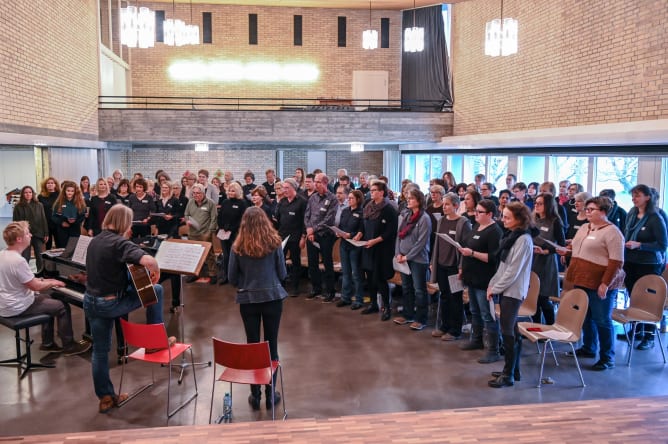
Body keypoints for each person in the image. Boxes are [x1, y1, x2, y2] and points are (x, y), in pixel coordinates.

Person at [83, 204, 167, 414]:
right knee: (155, 289)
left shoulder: (96, 240)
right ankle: (154, 342)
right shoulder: (119, 242)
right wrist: (155, 268)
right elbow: (147, 260)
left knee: (100, 352)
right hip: (109, 304)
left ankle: (106, 397)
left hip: (91, 301)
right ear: (124, 222)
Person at [0, 221, 90, 356]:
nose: (30, 235)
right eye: (27, 233)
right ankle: (69, 346)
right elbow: (35, 286)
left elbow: (28, 281)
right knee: (62, 307)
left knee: (48, 298)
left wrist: (47, 280)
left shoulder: (4, 254)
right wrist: (54, 282)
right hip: (16, 306)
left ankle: (48, 344)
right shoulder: (18, 261)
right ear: (19, 239)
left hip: (5, 304)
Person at [228, 206, 287, 411]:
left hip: (248, 300)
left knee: (253, 345)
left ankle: (255, 396)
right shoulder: (275, 243)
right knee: (272, 346)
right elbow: (283, 273)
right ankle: (271, 395)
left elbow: (232, 278)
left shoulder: (237, 246)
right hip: (272, 297)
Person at [559, 196, 624, 371]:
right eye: (586, 209)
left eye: (591, 209)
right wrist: (565, 251)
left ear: (603, 212)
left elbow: (616, 262)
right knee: (586, 316)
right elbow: (575, 245)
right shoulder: (585, 227)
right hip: (582, 278)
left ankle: (607, 357)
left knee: (602, 319)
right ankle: (589, 348)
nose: (587, 212)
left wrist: (605, 283)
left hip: (600, 282)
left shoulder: (612, 232)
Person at [487, 202, 535, 388]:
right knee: (511, 330)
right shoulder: (512, 236)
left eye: (507, 217)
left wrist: (495, 288)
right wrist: (494, 284)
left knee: (507, 331)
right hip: (507, 288)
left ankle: (508, 375)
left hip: (514, 291)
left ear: (519, 220)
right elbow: (503, 266)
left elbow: (513, 271)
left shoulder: (523, 239)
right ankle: (513, 370)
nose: (503, 220)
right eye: (503, 216)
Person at [623, 184, 668, 350]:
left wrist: (640, 245)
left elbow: (662, 245)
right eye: (633, 195)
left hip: (648, 264)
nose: (634, 198)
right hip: (630, 261)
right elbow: (625, 232)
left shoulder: (655, 217)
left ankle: (649, 335)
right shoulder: (632, 213)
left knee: (648, 300)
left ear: (647, 197)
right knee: (634, 296)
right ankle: (637, 330)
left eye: (637, 195)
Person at [458, 199, 503, 363]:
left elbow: (493, 258)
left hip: (485, 279)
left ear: (490, 214)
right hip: (472, 276)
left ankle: (494, 349)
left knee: (487, 315)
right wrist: (462, 268)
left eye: (480, 212)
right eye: (476, 211)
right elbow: (468, 246)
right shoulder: (477, 226)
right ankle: (476, 340)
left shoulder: (495, 231)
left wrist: (472, 254)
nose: (475, 214)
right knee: (475, 311)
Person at [430, 192, 471, 340]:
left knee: (456, 298)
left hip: (454, 266)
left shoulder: (463, 223)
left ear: (456, 206)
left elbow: (466, 246)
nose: (444, 207)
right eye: (443, 204)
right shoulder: (441, 221)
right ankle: (444, 325)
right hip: (441, 264)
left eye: (447, 204)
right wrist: (433, 262)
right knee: (445, 295)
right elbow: (437, 243)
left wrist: (461, 267)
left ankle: (455, 330)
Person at [355, 181, 398, 321]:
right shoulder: (368, 205)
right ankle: (373, 304)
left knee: (379, 279)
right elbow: (363, 223)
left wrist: (375, 241)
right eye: (371, 190)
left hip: (381, 249)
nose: (371, 192)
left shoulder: (389, 209)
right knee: (369, 278)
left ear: (381, 192)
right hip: (368, 246)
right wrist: (360, 234)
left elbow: (390, 232)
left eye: (374, 190)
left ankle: (386, 307)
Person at [393, 188, 431, 330]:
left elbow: (421, 243)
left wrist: (407, 256)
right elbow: (399, 235)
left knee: (419, 289)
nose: (408, 200)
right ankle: (408, 315)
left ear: (419, 201)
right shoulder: (406, 215)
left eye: (411, 199)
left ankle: (421, 319)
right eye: (407, 198)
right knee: (406, 287)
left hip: (418, 260)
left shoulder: (424, 218)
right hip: (403, 257)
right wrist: (398, 253)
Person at [530, 193, 566, 325]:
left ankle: (550, 326)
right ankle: (535, 327)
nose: (537, 206)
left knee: (543, 298)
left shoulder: (555, 221)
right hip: (532, 260)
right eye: (536, 203)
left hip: (546, 262)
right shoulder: (532, 220)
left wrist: (545, 251)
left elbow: (561, 245)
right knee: (532, 297)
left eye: (540, 203)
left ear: (548, 205)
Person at [304, 173, 338, 302]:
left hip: (325, 235)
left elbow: (329, 219)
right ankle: (315, 288)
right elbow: (307, 215)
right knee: (312, 263)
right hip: (311, 235)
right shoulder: (312, 198)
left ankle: (330, 291)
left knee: (327, 263)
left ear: (324, 183)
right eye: (315, 182)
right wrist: (309, 230)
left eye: (318, 182)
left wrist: (314, 229)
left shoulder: (332, 199)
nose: (315, 184)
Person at [274, 178, 307, 296]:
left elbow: (305, 221)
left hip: (295, 237)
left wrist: (303, 237)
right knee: (280, 261)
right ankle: (281, 285)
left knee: (295, 262)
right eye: (284, 188)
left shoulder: (302, 202)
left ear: (294, 188)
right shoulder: (282, 202)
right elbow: (277, 219)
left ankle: (295, 287)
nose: (284, 190)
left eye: (287, 188)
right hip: (282, 236)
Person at [335, 189, 365, 309]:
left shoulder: (362, 212)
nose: (349, 200)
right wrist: (339, 233)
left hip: (354, 245)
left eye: (352, 198)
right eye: (349, 198)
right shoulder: (345, 211)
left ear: (358, 199)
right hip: (344, 244)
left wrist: (351, 235)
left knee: (356, 274)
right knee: (346, 272)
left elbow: (362, 230)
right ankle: (345, 297)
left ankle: (358, 299)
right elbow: (341, 226)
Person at [184, 183, 218, 284]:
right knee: (194, 255)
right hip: (193, 233)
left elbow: (214, 218)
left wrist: (210, 232)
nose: (196, 195)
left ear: (203, 193)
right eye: (194, 193)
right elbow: (186, 214)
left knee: (209, 254)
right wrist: (187, 220)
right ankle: (194, 274)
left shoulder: (210, 203)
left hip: (205, 233)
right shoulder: (190, 202)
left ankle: (213, 274)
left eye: (198, 193)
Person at [13, 186, 49, 276]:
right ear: (22, 194)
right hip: (24, 235)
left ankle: (40, 275)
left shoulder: (39, 205)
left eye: (30, 192)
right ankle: (24, 275)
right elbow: (15, 222)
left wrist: (46, 233)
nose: (28, 194)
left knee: (40, 256)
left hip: (38, 234)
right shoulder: (18, 207)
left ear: (33, 194)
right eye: (25, 192)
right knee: (25, 256)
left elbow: (43, 219)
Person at [217, 182, 248, 285]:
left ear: (238, 191)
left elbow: (243, 219)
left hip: (236, 234)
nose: (230, 192)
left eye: (233, 190)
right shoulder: (225, 202)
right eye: (229, 190)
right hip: (224, 233)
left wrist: (231, 229)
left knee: (235, 256)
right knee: (226, 256)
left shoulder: (242, 203)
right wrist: (222, 227)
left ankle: (236, 277)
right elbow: (220, 216)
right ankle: (226, 276)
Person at [51, 180, 86, 248]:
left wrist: (75, 221)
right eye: (68, 191)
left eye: (72, 191)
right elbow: (54, 216)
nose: (70, 192)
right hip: (62, 230)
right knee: (63, 250)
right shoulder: (59, 202)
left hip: (75, 230)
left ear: (75, 192)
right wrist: (62, 222)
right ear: (64, 191)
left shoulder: (80, 202)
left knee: (73, 249)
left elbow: (82, 216)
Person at [38, 177, 60, 251]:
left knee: (59, 244)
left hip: (57, 222)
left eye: (52, 183)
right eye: (48, 183)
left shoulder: (60, 195)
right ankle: (48, 261)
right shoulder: (41, 196)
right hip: (46, 223)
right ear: (45, 185)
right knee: (48, 244)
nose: (50, 184)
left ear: (55, 185)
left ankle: (59, 261)